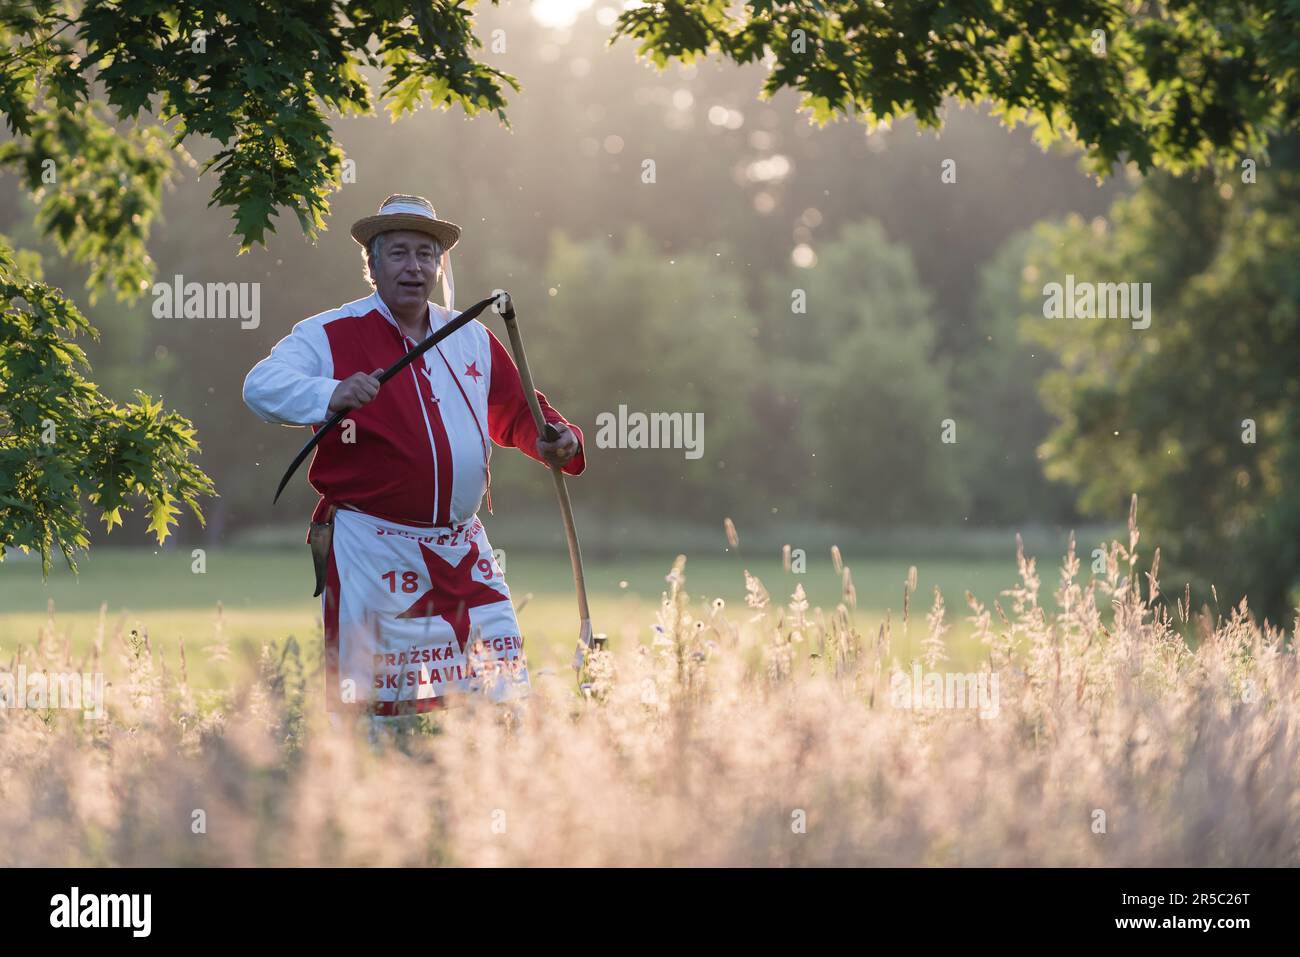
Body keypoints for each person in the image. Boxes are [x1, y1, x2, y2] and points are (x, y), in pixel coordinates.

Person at [243, 194, 585, 720]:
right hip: (373, 548)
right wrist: (331, 393)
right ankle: (373, 793)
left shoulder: (470, 335)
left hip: (462, 547)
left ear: (439, 265)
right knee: (379, 705)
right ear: (372, 264)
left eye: (426, 254)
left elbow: (519, 413)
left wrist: (556, 439)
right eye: (399, 253)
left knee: (500, 690)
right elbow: (261, 388)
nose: (414, 266)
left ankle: (488, 792)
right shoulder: (331, 332)